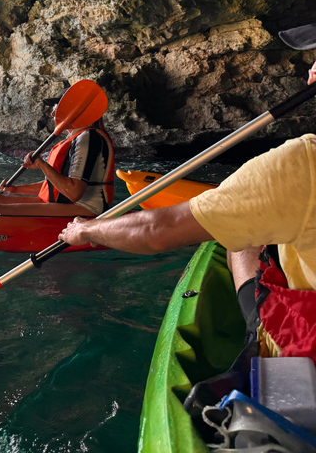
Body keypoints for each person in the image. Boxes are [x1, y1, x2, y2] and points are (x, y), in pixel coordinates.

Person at [59, 23, 316, 362]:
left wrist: (85, 230)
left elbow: (157, 232)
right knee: (255, 237)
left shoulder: (302, 162)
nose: (309, 74)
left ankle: (258, 331)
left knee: (241, 241)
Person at [0, 109, 115, 216]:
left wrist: (42, 165)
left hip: (87, 208)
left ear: (74, 110)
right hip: (68, 202)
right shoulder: (77, 137)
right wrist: (16, 190)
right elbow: (55, 185)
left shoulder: (89, 137)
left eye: (57, 107)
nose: (53, 113)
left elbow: (74, 192)